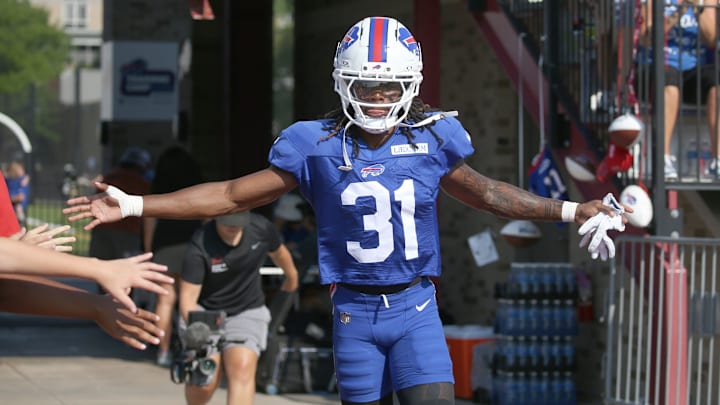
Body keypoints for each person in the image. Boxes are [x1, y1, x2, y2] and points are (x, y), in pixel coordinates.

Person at [64, 16, 628, 405]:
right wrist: (136, 201)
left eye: (389, 89)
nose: (378, 99)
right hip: (354, 313)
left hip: (416, 306)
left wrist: (572, 210)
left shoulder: (433, 138)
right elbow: (234, 195)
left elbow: (486, 192)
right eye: (366, 86)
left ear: (411, 86)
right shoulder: (314, 144)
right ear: (343, 83)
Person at [178, 212, 298, 405]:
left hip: (246, 309)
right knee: (205, 378)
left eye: (238, 223)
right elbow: (187, 298)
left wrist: (291, 276)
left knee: (242, 368)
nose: (233, 227)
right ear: (215, 218)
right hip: (206, 312)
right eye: (227, 224)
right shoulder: (200, 243)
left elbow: (279, 252)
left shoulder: (261, 228)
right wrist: (197, 333)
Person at [639, 0, 720, 179]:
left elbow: (712, 38)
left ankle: (718, 160)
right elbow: (647, 38)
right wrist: (679, 11)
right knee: (669, 81)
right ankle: (663, 159)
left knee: (717, 82)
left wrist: (697, 8)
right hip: (659, 66)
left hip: (693, 69)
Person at [143, 145, 205, 366]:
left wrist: (150, 250)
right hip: (192, 243)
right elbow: (207, 217)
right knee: (190, 298)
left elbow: (149, 219)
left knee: (165, 300)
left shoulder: (157, 190)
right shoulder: (197, 189)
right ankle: (192, 349)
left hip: (164, 246)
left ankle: (163, 351)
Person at [88, 146, 152, 284]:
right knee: (126, 277)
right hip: (127, 233)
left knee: (101, 275)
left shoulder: (108, 177)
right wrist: (148, 246)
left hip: (101, 229)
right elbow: (147, 214)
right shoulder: (141, 182)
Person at [4, 160, 30, 226]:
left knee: (18, 207)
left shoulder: (20, 180)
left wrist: (27, 178)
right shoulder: (8, 180)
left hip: (17, 203)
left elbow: (26, 176)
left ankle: (20, 219)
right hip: (11, 202)